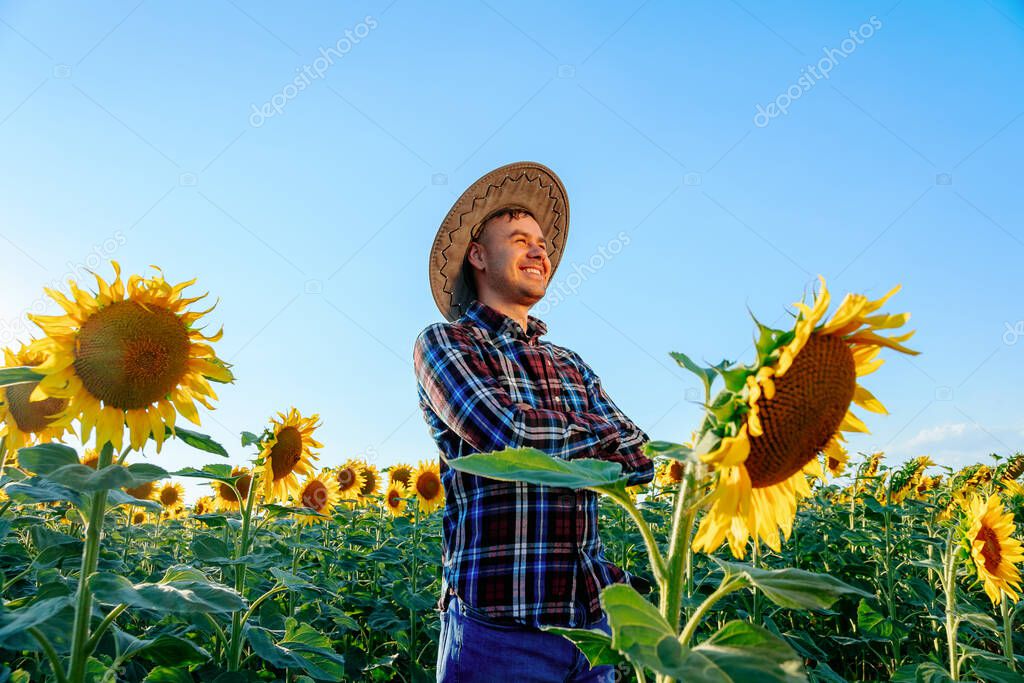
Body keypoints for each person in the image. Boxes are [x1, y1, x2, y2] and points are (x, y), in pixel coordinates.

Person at [413, 161, 654, 682]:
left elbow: (641, 456)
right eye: (519, 239)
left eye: (541, 242)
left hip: (592, 631)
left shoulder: (571, 363)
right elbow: (506, 436)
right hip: (497, 634)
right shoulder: (445, 343)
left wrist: (568, 440)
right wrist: (594, 442)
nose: (539, 250)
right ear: (478, 255)